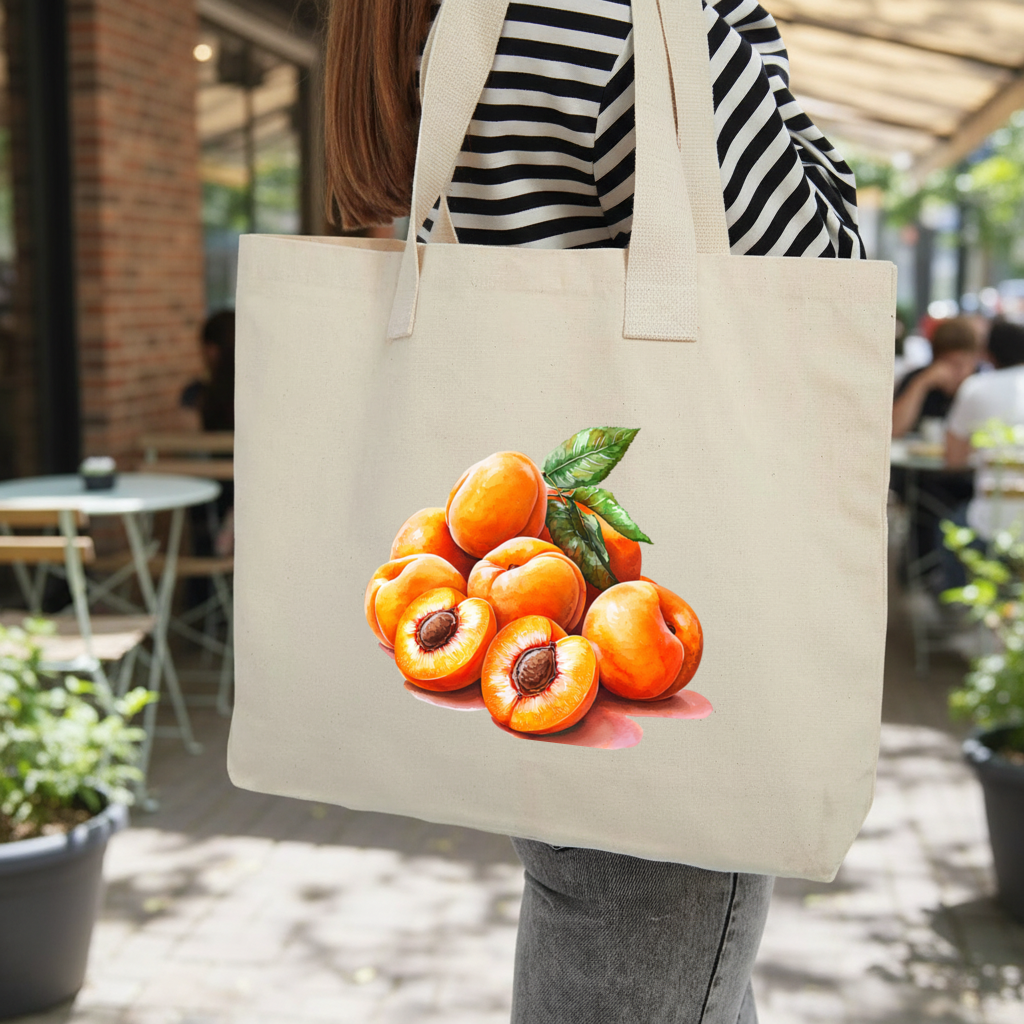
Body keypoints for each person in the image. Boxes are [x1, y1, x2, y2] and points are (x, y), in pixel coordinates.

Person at [324, 1, 865, 1021]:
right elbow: (820, 263)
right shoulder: (613, 14)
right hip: (652, 724)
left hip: (564, 654)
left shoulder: (454, 21)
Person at [946, 320, 1024, 540]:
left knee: (947, 530)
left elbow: (953, 459)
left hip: (990, 527)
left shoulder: (977, 387)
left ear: (989, 353)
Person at [892, 317, 980, 439]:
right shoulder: (918, 378)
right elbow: (893, 430)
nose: (955, 373)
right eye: (949, 364)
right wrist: (921, 384)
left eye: (961, 365)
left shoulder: (980, 383)